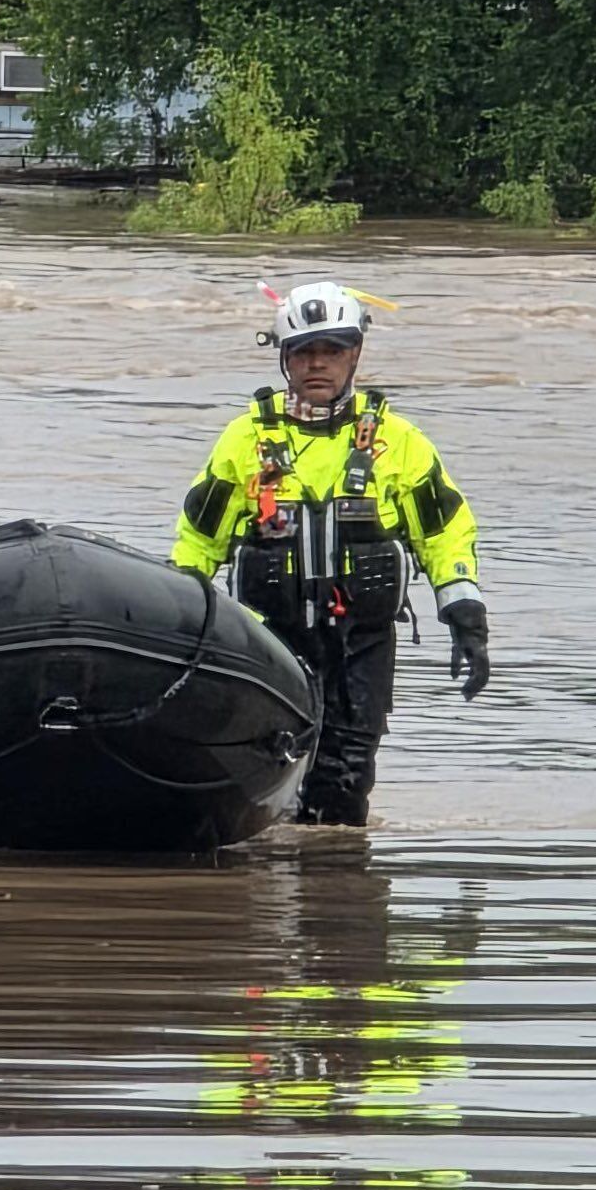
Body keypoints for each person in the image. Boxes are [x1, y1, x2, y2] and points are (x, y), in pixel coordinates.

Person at [170, 278, 488, 826]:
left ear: (355, 354)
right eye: (305, 352)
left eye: (332, 351)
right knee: (263, 765)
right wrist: (176, 625)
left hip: (361, 646)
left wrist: (464, 612)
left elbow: (444, 531)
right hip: (267, 643)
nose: (319, 365)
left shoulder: (400, 441)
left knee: (344, 781)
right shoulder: (243, 441)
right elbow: (198, 540)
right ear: (285, 359)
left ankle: (335, 885)